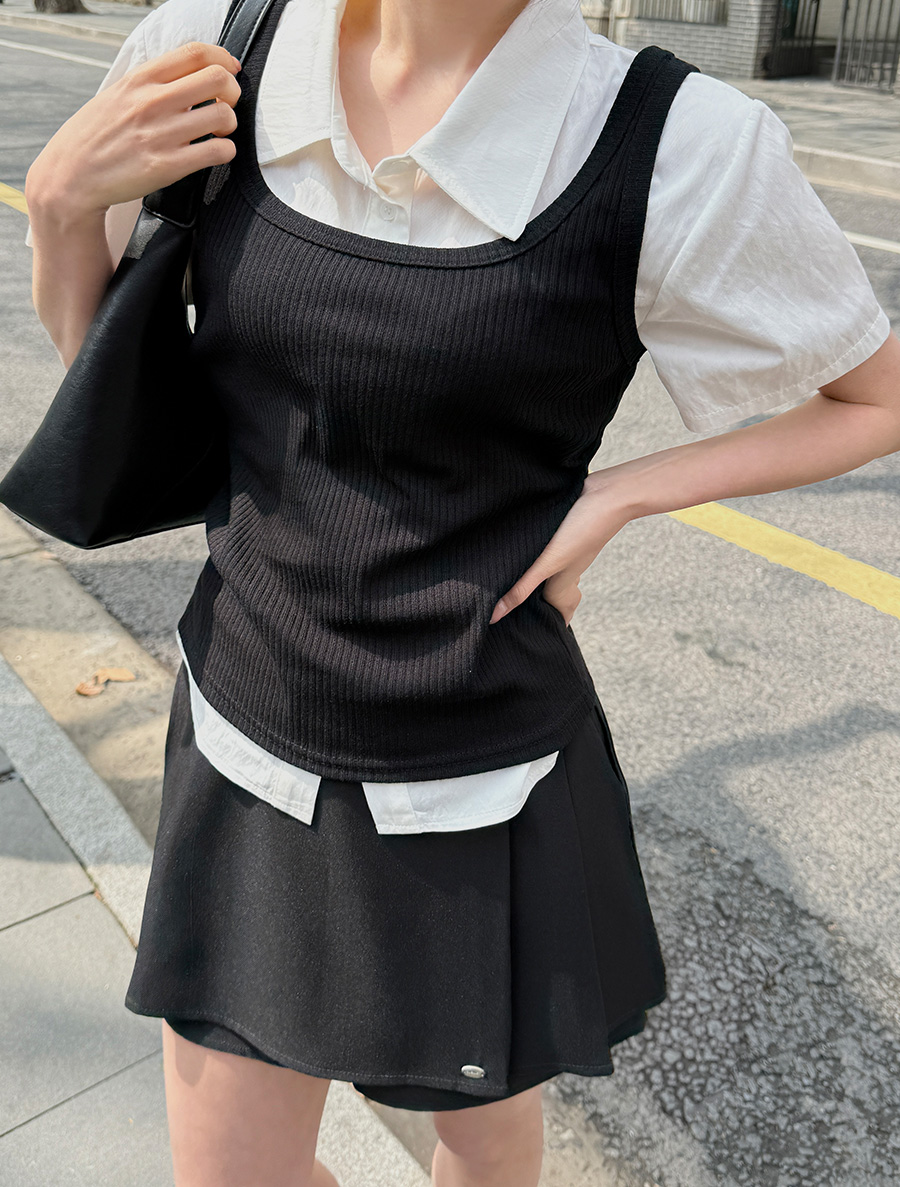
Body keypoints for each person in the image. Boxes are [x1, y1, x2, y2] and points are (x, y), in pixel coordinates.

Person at [22, 0, 900, 1184]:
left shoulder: (674, 141)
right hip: (247, 725)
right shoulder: (218, 44)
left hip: (482, 772)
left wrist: (621, 494)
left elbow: (874, 396)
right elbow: (114, 383)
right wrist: (59, 202)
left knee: (483, 1149)